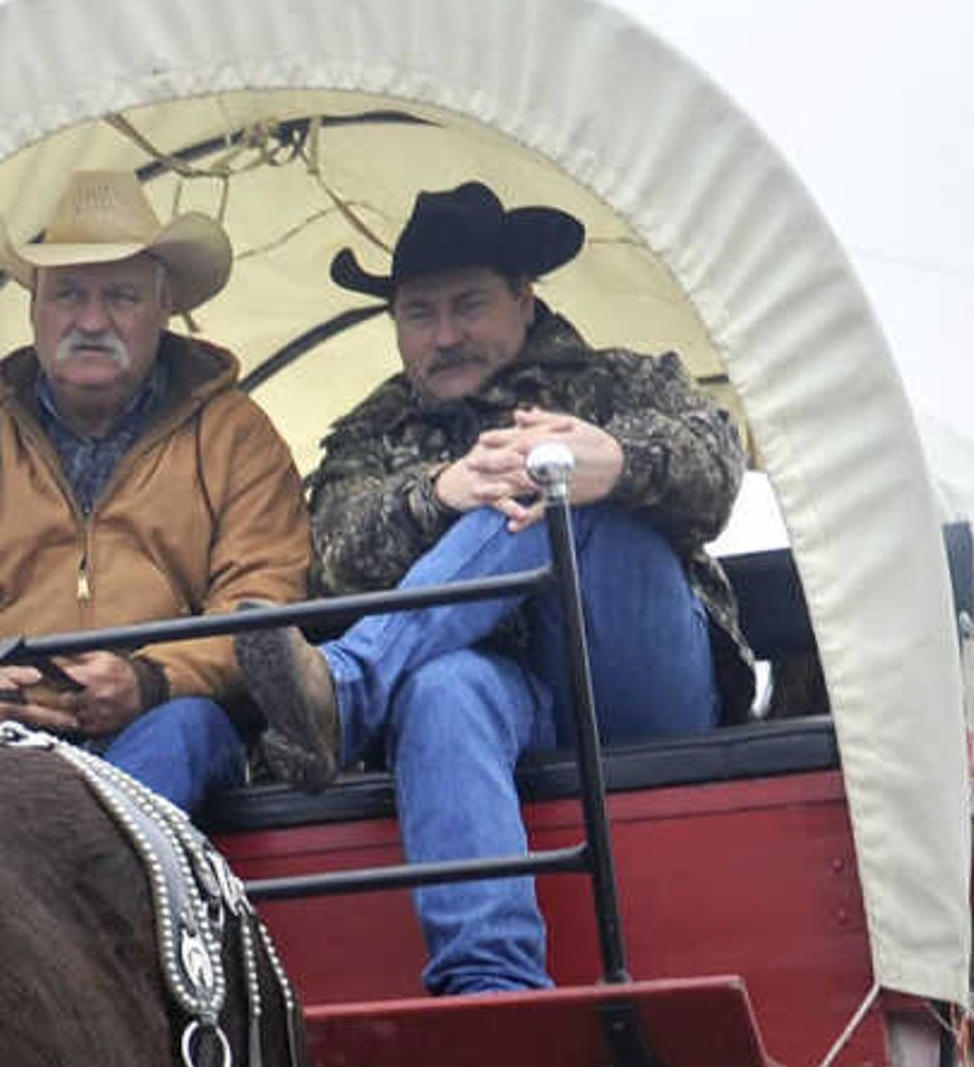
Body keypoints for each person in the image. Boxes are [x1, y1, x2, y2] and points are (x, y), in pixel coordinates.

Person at [232, 182, 749, 994]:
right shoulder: (373, 435)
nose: (444, 336)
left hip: (638, 684)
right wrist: (439, 492)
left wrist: (612, 460)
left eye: (468, 305)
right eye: (418, 314)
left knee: (550, 481)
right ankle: (491, 984)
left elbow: (718, 462)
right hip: (506, 697)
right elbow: (327, 551)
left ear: (524, 298)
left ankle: (346, 692)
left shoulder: (622, 382)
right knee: (440, 690)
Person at [0, 167, 324, 809]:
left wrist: (151, 679)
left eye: (121, 297)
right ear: (35, 309)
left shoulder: (237, 434)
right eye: (69, 294)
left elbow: (260, 594)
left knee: (185, 730)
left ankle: (86, 898)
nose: (92, 319)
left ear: (165, 310)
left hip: (158, 720)